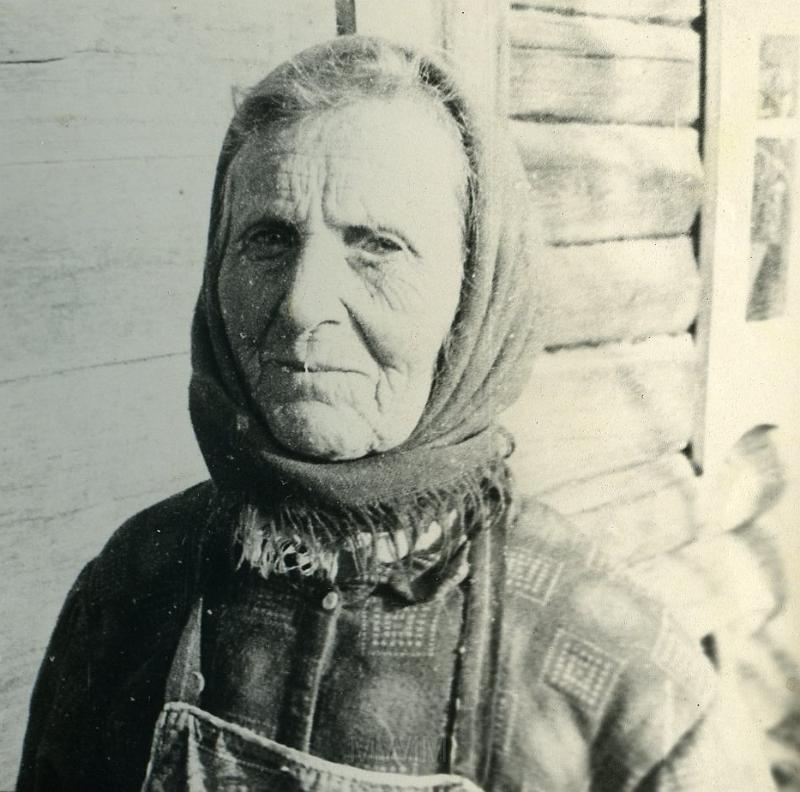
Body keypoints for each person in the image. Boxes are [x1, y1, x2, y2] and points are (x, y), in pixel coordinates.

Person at [17, 35, 751, 791]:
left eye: (377, 247)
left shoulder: (621, 678)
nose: (303, 306)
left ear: (473, 298)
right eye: (268, 239)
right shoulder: (133, 584)